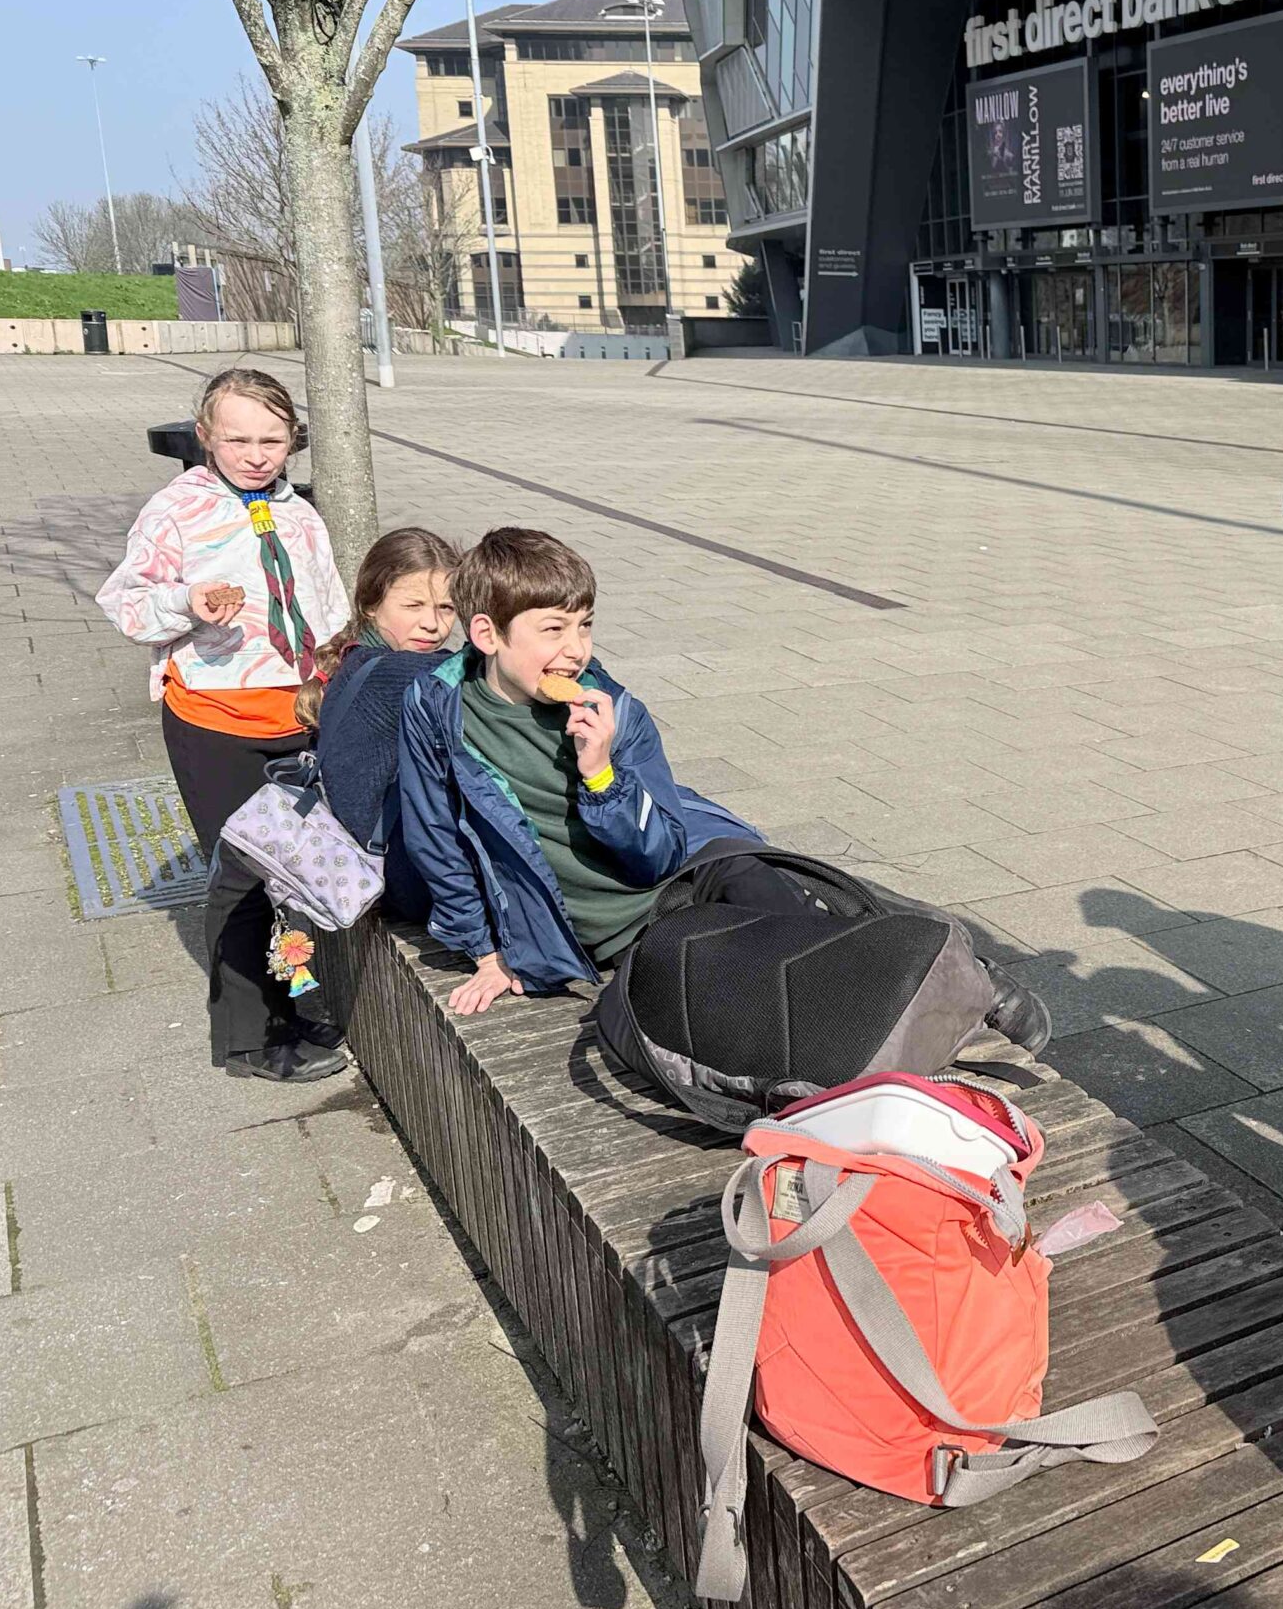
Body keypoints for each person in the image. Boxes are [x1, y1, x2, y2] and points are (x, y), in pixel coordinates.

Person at [395, 526, 809, 1017]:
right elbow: (435, 835)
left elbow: (658, 858)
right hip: (621, 935)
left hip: (679, 882)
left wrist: (602, 777)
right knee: (709, 1002)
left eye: (585, 626)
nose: (576, 650)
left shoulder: (617, 711)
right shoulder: (437, 708)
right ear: (487, 635)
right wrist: (486, 952)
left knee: (792, 924)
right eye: (554, 630)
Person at [98, 367, 353, 1082]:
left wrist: (341, 669)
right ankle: (250, 1039)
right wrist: (186, 602)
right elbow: (126, 604)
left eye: (273, 439)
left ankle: (297, 1001)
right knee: (242, 881)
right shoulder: (176, 511)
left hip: (299, 718)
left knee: (296, 880)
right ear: (205, 435)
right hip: (216, 723)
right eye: (238, 439)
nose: (256, 455)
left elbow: (327, 602)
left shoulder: (300, 512)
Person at [309, 528, 462, 926]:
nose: (432, 624)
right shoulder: (396, 673)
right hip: (402, 881)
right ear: (371, 605)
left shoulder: (358, 655)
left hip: (377, 862)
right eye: (413, 605)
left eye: (446, 608)